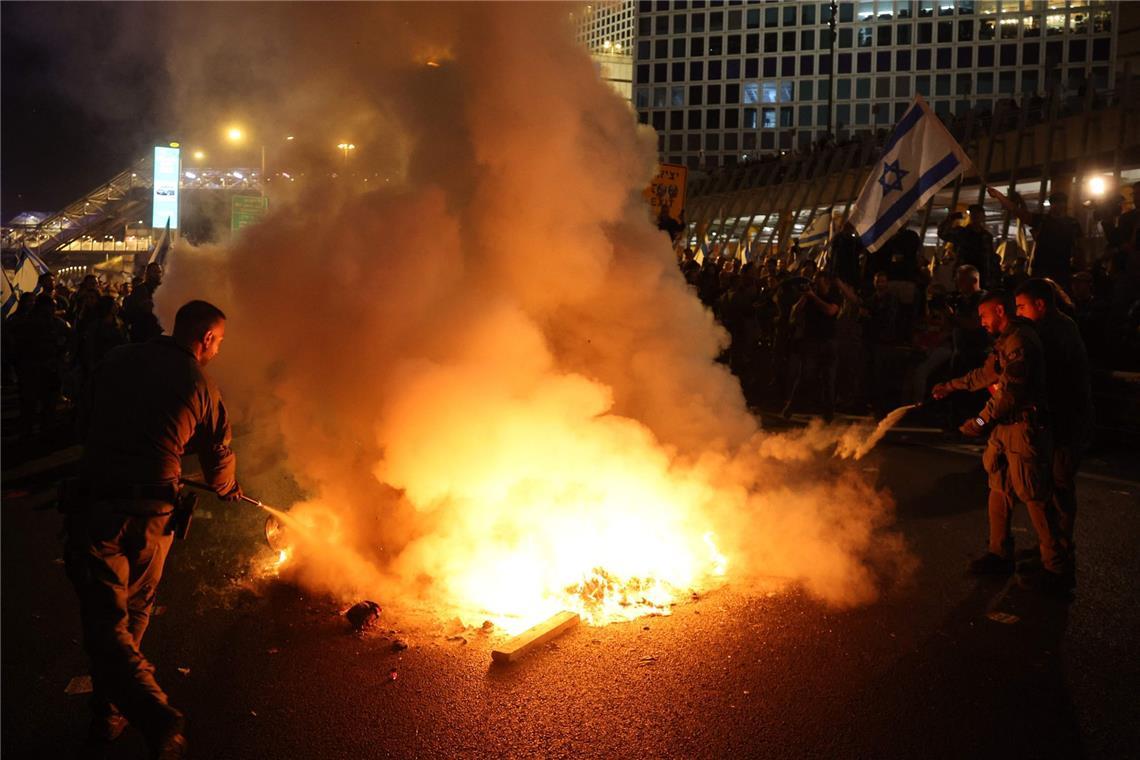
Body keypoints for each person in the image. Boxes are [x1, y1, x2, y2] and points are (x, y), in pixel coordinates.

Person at [65, 300, 242, 758]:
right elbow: (218, 455)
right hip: (150, 516)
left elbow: (82, 420)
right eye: (218, 341)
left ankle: (111, 715)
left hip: (96, 505)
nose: (218, 350)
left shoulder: (118, 359)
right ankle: (148, 712)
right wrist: (225, 487)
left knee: (106, 622)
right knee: (132, 612)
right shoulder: (201, 382)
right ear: (205, 338)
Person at [932, 291, 1067, 592]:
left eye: (984, 316)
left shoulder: (1021, 342)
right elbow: (985, 374)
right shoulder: (1004, 341)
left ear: (1000, 311)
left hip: (1023, 428)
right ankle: (999, 553)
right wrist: (951, 387)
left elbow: (1010, 393)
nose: (980, 322)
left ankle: (1057, 570)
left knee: (1033, 495)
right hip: (1004, 430)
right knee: (999, 487)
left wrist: (980, 421)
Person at [1014, 278, 1093, 555]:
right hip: (1059, 420)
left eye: (1022, 307)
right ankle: (1050, 544)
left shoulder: (1057, 332)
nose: (1019, 313)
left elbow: (1052, 379)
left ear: (1040, 304)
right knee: (1049, 485)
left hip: (1066, 422)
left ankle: (1060, 549)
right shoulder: (1051, 328)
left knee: (1059, 486)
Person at [988, 187, 1082, 288]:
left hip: (1062, 269)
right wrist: (999, 196)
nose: (1059, 206)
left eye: (1061, 202)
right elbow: (1017, 211)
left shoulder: (1072, 223)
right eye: (1056, 203)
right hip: (1042, 268)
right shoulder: (1042, 220)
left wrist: (1079, 267)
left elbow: (1079, 247)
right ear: (1051, 205)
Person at [782, 270, 842, 421]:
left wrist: (813, 297)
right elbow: (794, 312)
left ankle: (829, 414)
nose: (815, 283)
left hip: (828, 341)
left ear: (826, 282)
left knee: (829, 378)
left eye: (818, 280)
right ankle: (790, 408)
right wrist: (805, 296)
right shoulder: (809, 296)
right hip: (811, 341)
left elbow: (830, 311)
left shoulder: (834, 295)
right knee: (804, 376)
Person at [938, 205, 995, 288]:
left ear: (983, 217)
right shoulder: (962, 233)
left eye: (978, 214)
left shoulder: (986, 237)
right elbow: (943, 233)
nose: (976, 217)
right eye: (974, 214)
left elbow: (990, 258)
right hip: (965, 274)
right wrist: (950, 219)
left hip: (981, 275)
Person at [121, 263, 164, 343]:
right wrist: (142, 307)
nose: (157, 274)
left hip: (159, 332)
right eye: (154, 271)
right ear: (148, 273)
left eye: (159, 272)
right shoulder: (139, 290)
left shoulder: (164, 290)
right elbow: (130, 312)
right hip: (143, 332)